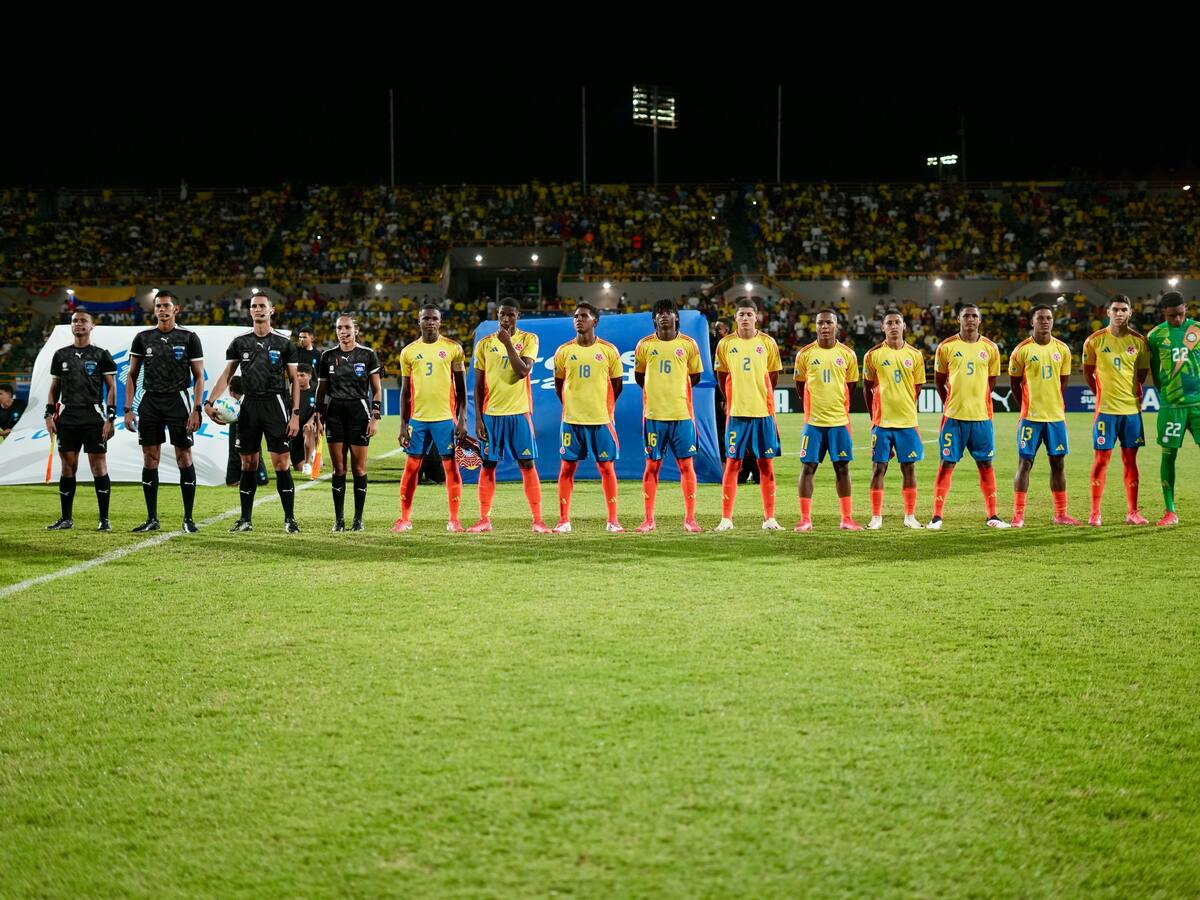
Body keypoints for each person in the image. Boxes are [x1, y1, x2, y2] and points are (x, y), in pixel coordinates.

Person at [203, 293, 302, 533]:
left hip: (275, 405)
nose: (258, 310)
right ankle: (245, 520)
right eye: (254, 306)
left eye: (262, 306)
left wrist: (296, 414)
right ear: (249, 312)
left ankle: (290, 519)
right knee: (248, 463)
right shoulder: (239, 342)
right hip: (248, 407)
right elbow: (227, 374)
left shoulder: (283, 343)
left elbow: (294, 381)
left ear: (272, 310)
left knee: (281, 463)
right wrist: (209, 401)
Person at [123, 290, 205, 533]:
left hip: (178, 401)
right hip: (150, 402)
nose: (162, 309)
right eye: (158, 305)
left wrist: (196, 409)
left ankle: (188, 519)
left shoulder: (189, 337)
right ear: (155, 309)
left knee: (184, 458)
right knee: (150, 459)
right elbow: (131, 374)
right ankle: (152, 518)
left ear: (175, 309)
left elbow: (199, 376)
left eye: (167, 305)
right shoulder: (143, 337)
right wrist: (128, 409)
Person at [466, 300, 548, 533]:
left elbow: (522, 371)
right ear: (497, 315)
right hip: (491, 415)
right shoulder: (484, 344)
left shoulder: (529, 339)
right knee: (489, 464)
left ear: (517, 316)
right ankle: (484, 519)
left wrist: (509, 343)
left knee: (527, 463)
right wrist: (479, 419)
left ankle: (538, 520)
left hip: (519, 413)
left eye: (510, 315)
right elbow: (479, 385)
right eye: (502, 314)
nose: (505, 319)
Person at [928, 305, 1009, 530]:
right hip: (953, 417)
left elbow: (991, 381)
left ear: (980, 320)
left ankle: (993, 515)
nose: (970, 319)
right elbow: (939, 380)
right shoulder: (946, 347)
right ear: (959, 320)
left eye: (974, 316)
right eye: (966, 316)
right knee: (947, 464)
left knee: (985, 464)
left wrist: (977, 401)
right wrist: (951, 403)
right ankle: (936, 516)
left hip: (981, 417)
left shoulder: (991, 348)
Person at [393, 305, 467, 532]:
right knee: (411, 468)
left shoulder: (453, 348)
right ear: (419, 321)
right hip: (418, 420)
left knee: (451, 469)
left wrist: (462, 420)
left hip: (445, 419)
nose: (430, 322)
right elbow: (405, 392)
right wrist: (403, 425)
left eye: (434, 318)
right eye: (426, 318)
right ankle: (405, 519)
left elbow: (462, 390)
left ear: (440, 321)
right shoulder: (408, 352)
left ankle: (454, 520)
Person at [552, 302, 625, 533]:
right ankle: (564, 521)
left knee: (606, 469)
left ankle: (612, 521)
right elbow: (559, 386)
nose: (578, 319)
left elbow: (617, 385)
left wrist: (603, 407)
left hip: (601, 420)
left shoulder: (608, 350)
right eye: (575, 316)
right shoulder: (563, 351)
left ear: (595, 321)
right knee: (566, 470)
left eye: (583, 316)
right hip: (572, 421)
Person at [633, 299, 704, 533]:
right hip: (653, 416)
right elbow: (640, 378)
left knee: (686, 466)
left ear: (676, 317)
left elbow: (694, 377)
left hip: (682, 415)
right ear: (654, 319)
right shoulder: (644, 345)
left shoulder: (689, 344)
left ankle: (690, 519)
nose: (664, 316)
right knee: (652, 466)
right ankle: (648, 519)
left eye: (669, 312)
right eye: (660, 313)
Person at [712, 300, 783, 532]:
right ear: (735, 318)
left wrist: (762, 397)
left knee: (766, 465)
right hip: (737, 413)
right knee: (732, 463)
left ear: (756, 317)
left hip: (763, 412)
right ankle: (726, 518)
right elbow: (722, 377)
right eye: (741, 314)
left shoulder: (767, 343)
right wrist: (732, 399)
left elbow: (772, 377)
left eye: (749, 314)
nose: (745, 318)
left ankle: (769, 518)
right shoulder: (725, 344)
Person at [43, 311, 117, 530]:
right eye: (75, 321)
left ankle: (104, 520)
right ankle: (66, 519)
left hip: (93, 417)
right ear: (71, 326)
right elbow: (54, 388)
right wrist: (49, 414)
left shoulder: (101, 355)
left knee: (99, 467)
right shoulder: (60, 355)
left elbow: (112, 387)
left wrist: (110, 418)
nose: (79, 324)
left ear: (92, 326)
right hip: (68, 418)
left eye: (83, 321)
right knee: (67, 468)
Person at [1008, 304, 1081, 527]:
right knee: (1025, 463)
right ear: (1032, 322)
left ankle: (1060, 514)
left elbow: (1063, 383)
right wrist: (1027, 408)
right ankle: (1018, 515)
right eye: (1040, 318)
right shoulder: (1021, 350)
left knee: (1058, 464)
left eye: (1048, 318)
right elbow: (1014, 385)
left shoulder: (1063, 350)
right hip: (1031, 418)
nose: (1045, 321)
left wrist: (1052, 406)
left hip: (1055, 419)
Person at [1081, 295, 1150, 526]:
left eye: (1123, 310)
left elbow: (1141, 376)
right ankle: (1095, 512)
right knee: (1102, 460)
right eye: (1115, 309)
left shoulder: (1139, 342)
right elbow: (1088, 373)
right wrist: (1102, 394)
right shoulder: (1094, 341)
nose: (1119, 314)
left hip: (1131, 411)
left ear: (1130, 313)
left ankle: (1132, 512)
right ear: (1107, 312)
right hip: (1106, 411)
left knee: (1131, 460)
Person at [794, 309, 862, 531]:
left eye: (829, 323)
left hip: (839, 423)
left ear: (836, 326)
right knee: (808, 468)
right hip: (813, 423)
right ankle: (805, 519)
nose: (825, 327)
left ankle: (846, 518)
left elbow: (850, 387)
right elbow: (800, 386)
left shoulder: (848, 355)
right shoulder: (805, 354)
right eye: (820, 323)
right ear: (815, 326)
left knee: (842, 468)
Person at [314, 315, 382, 531]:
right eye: (339, 328)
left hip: (359, 415)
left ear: (356, 330)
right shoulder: (327, 356)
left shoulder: (368, 355)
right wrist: (318, 416)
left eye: (347, 327)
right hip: (334, 415)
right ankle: (339, 520)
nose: (343, 331)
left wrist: (374, 417)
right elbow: (322, 390)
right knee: (338, 469)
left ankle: (358, 519)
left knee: (359, 469)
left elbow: (377, 389)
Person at [862, 311, 926, 530]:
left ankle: (910, 516)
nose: (893, 326)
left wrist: (905, 405)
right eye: (889, 323)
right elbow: (867, 388)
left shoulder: (915, 355)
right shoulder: (873, 355)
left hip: (907, 423)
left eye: (897, 322)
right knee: (878, 468)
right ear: (882, 327)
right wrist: (875, 416)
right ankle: (876, 517)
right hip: (882, 423)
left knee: (909, 469)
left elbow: (917, 388)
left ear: (904, 326)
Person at [1145, 291, 1200, 526]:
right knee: (1168, 456)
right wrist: (1167, 394)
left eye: (1179, 315)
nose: (1176, 320)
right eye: (1171, 317)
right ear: (1163, 314)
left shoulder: (1197, 329)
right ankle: (1170, 511)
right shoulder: (1155, 336)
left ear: (1185, 308)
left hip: (1198, 405)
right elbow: (1155, 370)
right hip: (1171, 406)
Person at [224, 376, 268, 488]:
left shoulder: (234, 407)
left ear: (231, 389)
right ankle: (260, 477)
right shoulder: (251, 402)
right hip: (257, 420)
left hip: (242, 421)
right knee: (256, 449)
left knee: (236, 448)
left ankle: (233, 479)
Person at [290, 364, 319, 475]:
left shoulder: (316, 390)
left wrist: (311, 420)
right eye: (297, 376)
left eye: (302, 375)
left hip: (311, 426)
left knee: (309, 428)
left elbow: (320, 410)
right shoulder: (290, 390)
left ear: (310, 376)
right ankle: (312, 457)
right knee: (298, 467)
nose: (299, 378)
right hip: (294, 428)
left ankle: (308, 462)